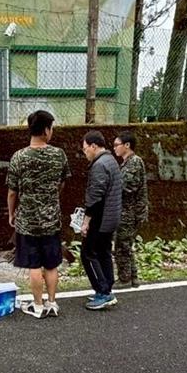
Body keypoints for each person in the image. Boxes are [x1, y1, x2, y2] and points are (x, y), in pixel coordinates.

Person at [7, 109, 71, 319]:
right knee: (51, 264)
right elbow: (62, 183)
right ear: (46, 130)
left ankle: (37, 305)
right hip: (51, 220)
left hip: (27, 221)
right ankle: (52, 303)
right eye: (51, 128)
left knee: (34, 265)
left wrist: (11, 213)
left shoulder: (19, 157)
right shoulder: (59, 154)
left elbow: (12, 191)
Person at [80, 130, 122, 310]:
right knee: (103, 252)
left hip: (101, 217)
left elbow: (96, 197)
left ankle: (103, 291)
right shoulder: (111, 160)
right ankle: (106, 288)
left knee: (87, 253)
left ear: (93, 146)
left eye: (85, 149)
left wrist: (86, 222)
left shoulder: (99, 165)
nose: (84, 153)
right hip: (111, 216)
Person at [113, 130, 149, 288]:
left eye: (116, 145)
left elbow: (127, 187)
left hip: (129, 211)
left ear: (127, 145)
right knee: (125, 244)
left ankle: (125, 278)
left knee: (122, 245)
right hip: (127, 211)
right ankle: (133, 276)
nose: (114, 148)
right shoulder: (127, 163)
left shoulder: (134, 162)